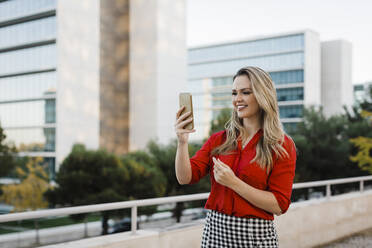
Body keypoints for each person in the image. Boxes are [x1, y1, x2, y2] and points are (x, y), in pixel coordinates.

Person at [174, 66, 296, 248]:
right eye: (234, 93)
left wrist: (233, 183)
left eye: (245, 92)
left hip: (255, 238)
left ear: (263, 95)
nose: (237, 99)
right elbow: (185, 177)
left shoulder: (282, 145)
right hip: (214, 234)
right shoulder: (219, 140)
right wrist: (182, 142)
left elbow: (279, 205)